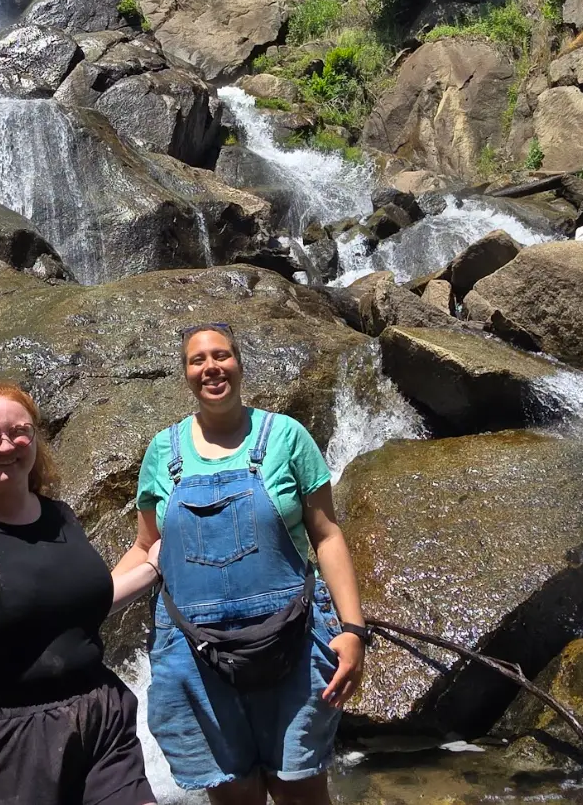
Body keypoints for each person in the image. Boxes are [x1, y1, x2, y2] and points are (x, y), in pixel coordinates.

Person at [114, 324, 369, 804]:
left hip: (291, 642)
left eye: (222, 355)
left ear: (239, 364)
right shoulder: (161, 452)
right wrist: (90, 602)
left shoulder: (287, 437)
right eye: (198, 360)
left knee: (301, 789)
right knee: (233, 794)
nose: (211, 367)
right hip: (195, 652)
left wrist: (354, 630)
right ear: (186, 374)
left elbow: (327, 534)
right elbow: (145, 544)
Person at [0, 382, 162, 805]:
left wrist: (150, 566)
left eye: (19, 431)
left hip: (101, 720)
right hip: (5, 741)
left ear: (35, 439)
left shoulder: (60, 517)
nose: (7, 445)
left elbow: (73, 608)